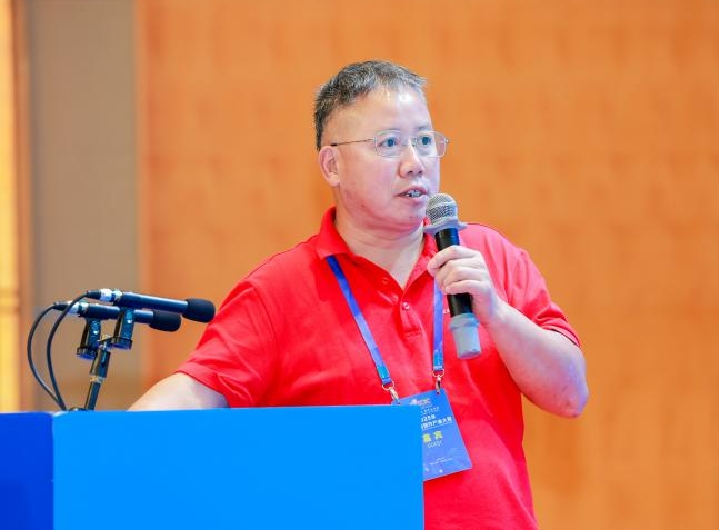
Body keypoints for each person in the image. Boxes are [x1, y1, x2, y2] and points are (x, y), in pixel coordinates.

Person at [130, 60, 588, 529]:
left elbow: (570, 395)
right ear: (332, 165)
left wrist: (498, 314)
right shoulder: (277, 290)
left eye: (424, 141)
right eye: (389, 143)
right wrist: (108, 449)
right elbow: (194, 393)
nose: (415, 162)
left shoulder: (488, 257)